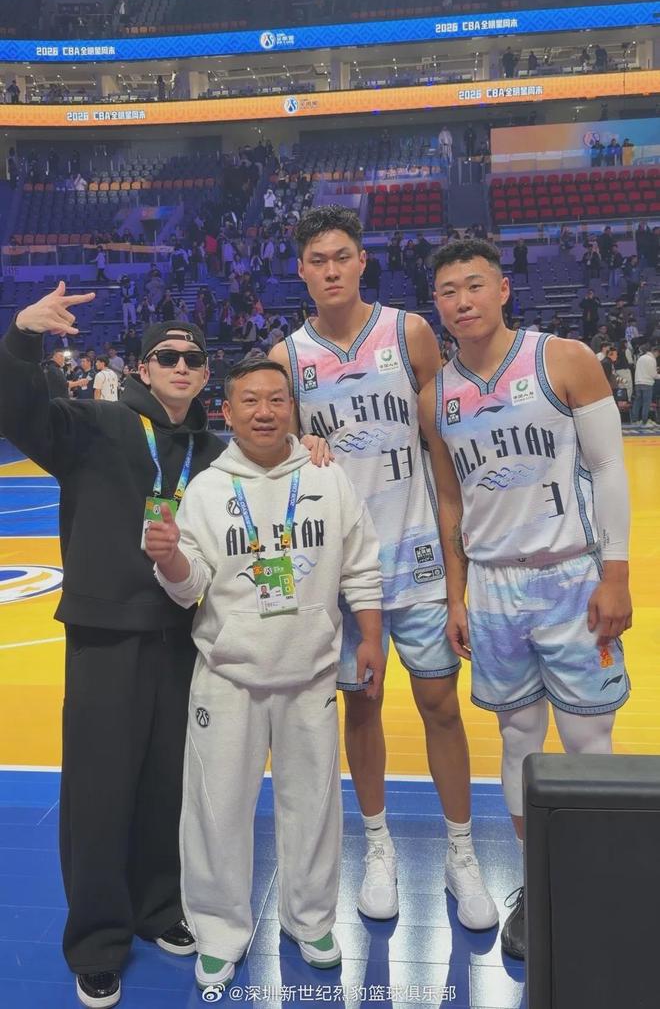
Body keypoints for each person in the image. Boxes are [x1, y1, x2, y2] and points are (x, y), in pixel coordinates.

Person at [270, 205, 497, 931]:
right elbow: (276, 455)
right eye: (317, 260)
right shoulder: (288, 357)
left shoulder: (409, 333)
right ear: (301, 271)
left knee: (440, 706)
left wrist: (460, 576)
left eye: (342, 255)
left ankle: (462, 852)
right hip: (342, 573)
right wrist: (297, 448)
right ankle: (378, 847)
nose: (331, 269)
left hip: (420, 556)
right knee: (361, 708)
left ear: (362, 260)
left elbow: (445, 449)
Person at [0, 288, 226, 1008]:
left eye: (193, 358)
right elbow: (18, 413)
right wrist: (23, 338)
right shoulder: (95, 423)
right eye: (167, 356)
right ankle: (98, 940)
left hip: (183, 636)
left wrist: (310, 444)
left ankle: (159, 908)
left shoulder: (214, 452)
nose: (181, 366)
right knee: (99, 794)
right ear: (143, 367)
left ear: (204, 374)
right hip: (106, 635)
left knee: (167, 785)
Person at [145, 358, 385, 993]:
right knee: (216, 810)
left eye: (277, 399)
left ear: (293, 410)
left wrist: (370, 636)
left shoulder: (328, 477)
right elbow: (189, 587)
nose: (264, 411)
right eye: (250, 400)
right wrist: (169, 560)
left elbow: (361, 564)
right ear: (227, 411)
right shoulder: (206, 490)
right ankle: (219, 932)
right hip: (228, 675)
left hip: (310, 672)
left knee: (313, 807)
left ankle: (311, 920)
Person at [422, 238, 632, 961]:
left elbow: (610, 467)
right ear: (437, 304)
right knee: (517, 738)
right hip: (492, 586)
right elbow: (450, 502)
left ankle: (595, 880)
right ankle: (538, 880)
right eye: (448, 291)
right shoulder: (434, 397)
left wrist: (616, 573)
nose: (463, 301)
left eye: (474, 284)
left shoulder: (564, 359)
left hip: (572, 576)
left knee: (587, 740)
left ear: (503, 288)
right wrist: (456, 595)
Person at [631, 344, 659, 425]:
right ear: (656, 352)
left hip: (638, 383)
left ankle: (634, 420)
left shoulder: (641, 358)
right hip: (647, 383)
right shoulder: (652, 359)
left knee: (637, 402)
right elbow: (653, 375)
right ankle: (644, 421)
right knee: (646, 403)